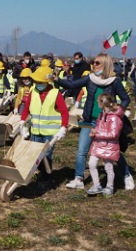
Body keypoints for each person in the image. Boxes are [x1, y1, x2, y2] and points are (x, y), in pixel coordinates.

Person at [56, 53, 133, 190]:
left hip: (107, 123)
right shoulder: (90, 79)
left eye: (97, 63)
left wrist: (118, 111)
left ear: (106, 64)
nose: (94, 65)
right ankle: (79, 178)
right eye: (93, 62)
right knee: (81, 151)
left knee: (111, 151)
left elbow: (126, 98)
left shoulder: (114, 82)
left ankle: (127, 175)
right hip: (89, 121)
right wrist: (57, 79)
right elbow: (72, 84)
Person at [19, 66, 69, 184]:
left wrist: (63, 127)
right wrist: (22, 122)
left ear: (47, 82)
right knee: (36, 154)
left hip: (50, 133)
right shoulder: (33, 92)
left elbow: (64, 112)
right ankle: (41, 173)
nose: (37, 84)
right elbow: (26, 109)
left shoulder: (55, 94)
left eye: (40, 82)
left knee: (46, 155)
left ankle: (46, 178)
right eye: (36, 81)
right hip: (36, 130)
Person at [86, 93, 123, 196]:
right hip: (98, 144)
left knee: (108, 167)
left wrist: (99, 133)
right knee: (92, 163)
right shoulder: (101, 114)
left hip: (109, 146)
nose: (97, 103)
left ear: (103, 103)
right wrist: (94, 132)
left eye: (99, 101)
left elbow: (114, 134)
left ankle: (110, 186)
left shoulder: (115, 118)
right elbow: (99, 126)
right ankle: (97, 185)